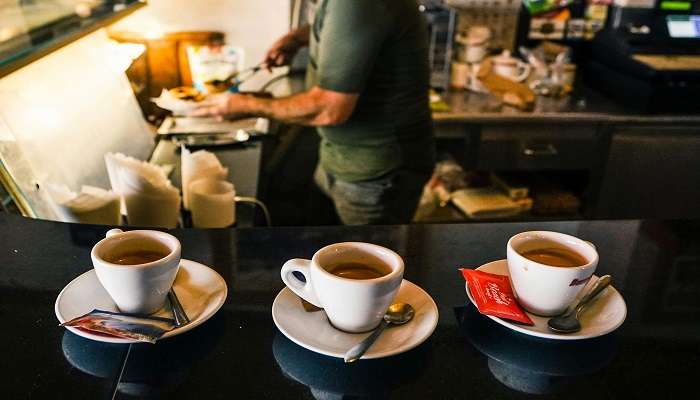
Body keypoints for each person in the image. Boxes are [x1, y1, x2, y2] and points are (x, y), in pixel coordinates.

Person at [193, 0, 435, 225]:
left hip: (377, 173)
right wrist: (299, 37)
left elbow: (329, 108)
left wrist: (245, 105)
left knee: (366, 266)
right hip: (344, 158)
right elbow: (353, 25)